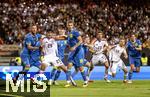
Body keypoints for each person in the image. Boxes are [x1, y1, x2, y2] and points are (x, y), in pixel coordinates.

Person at [66, 20, 88, 87]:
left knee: (80, 67)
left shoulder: (75, 32)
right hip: (73, 52)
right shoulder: (68, 33)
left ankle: (85, 81)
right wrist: (69, 45)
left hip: (78, 51)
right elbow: (70, 41)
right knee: (69, 65)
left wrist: (74, 47)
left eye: (71, 25)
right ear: (67, 26)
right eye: (69, 25)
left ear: (73, 26)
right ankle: (68, 82)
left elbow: (81, 40)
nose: (70, 26)